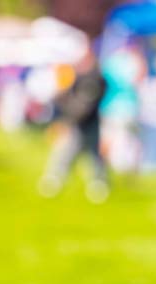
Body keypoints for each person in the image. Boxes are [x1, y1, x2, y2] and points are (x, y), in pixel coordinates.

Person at [40, 47, 110, 203]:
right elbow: (66, 99)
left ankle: (97, 184)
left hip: (86, 124)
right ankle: (56, 180)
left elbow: (84, 106)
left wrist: (67, 122)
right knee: (69, 154)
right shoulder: (79, 77)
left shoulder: (93, 79)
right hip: (80, 122)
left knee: (89, 156)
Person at [100, 45, 145, 175]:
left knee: (108, 138)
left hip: (109, 106)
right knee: (131, 140)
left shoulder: (109, 61)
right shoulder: (134, 61)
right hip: (128, 107)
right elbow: (139, 79)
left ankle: (101, 169)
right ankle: (131, 169)